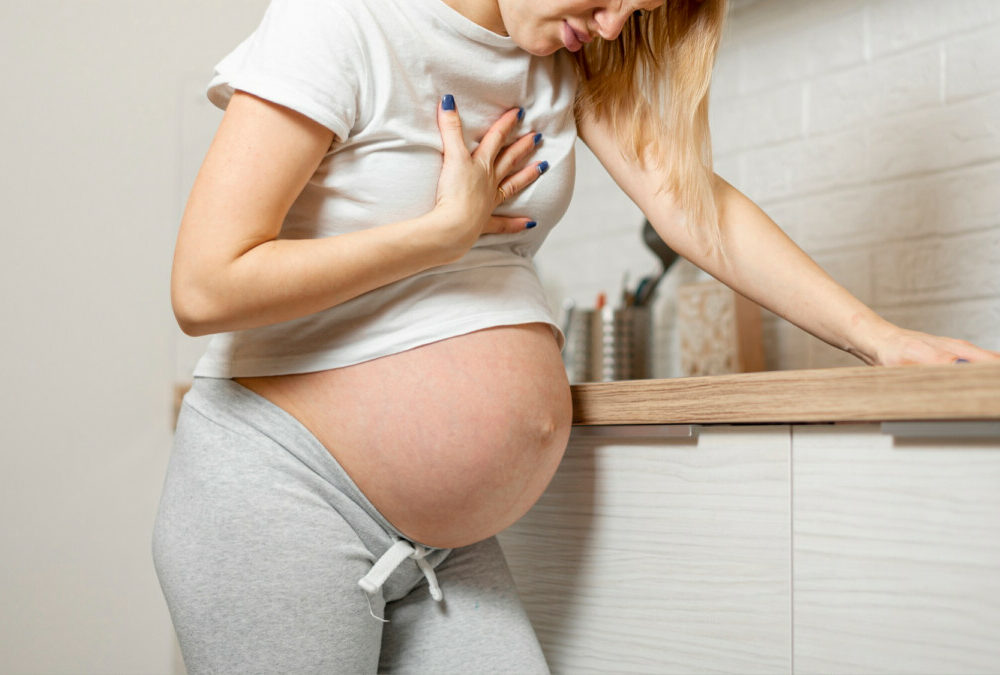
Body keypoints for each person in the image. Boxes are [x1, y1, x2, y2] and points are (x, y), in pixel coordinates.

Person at [152, 0, 1000, 672]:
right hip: (281, 495)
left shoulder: (563, 58)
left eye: (636, 10)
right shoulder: (345, 20)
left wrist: (878, 337)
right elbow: (204, 283)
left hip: (439, 542)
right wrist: (440, 234)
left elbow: (693, 208)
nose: (613, 25)